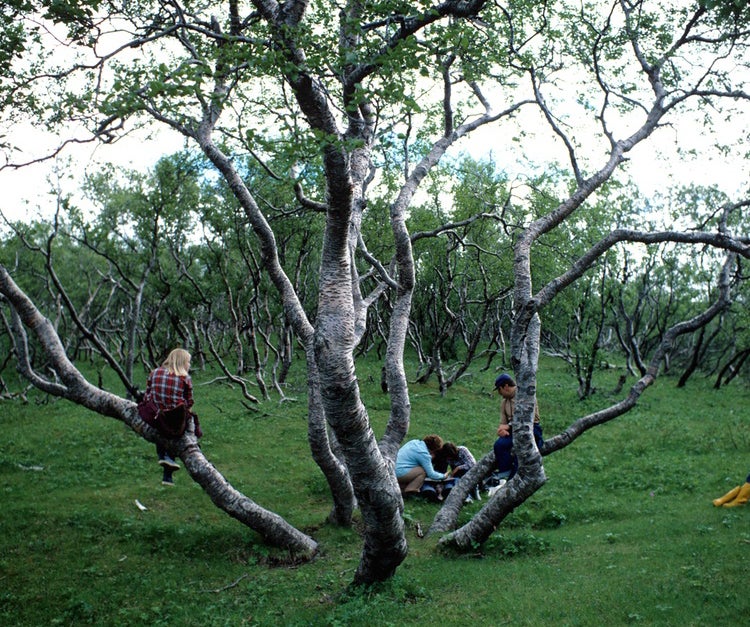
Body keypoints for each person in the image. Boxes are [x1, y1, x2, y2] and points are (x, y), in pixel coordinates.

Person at [141, 348, 200, 486]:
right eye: (188, 362)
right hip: (174, 421)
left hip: (156, 418)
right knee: (174, 430)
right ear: (181, 362)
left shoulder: (154, 373)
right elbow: (189, 401)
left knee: (160, 431)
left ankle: (164, 460)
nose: (189, 365)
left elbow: (147, 396)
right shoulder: (185, 378)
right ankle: (168, 465)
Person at [493, 373, 542, 479]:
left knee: (519, 450)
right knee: (499, 445)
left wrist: (509, 426)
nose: (499, 393)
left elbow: (531, 418)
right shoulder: (504, 403)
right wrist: (501, 430)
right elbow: (503, 423)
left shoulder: (525, 395)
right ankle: (504, 474)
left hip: (531, 428)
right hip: (513, 431)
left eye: (499, 389)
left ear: (505, 386)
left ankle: (515, 477)